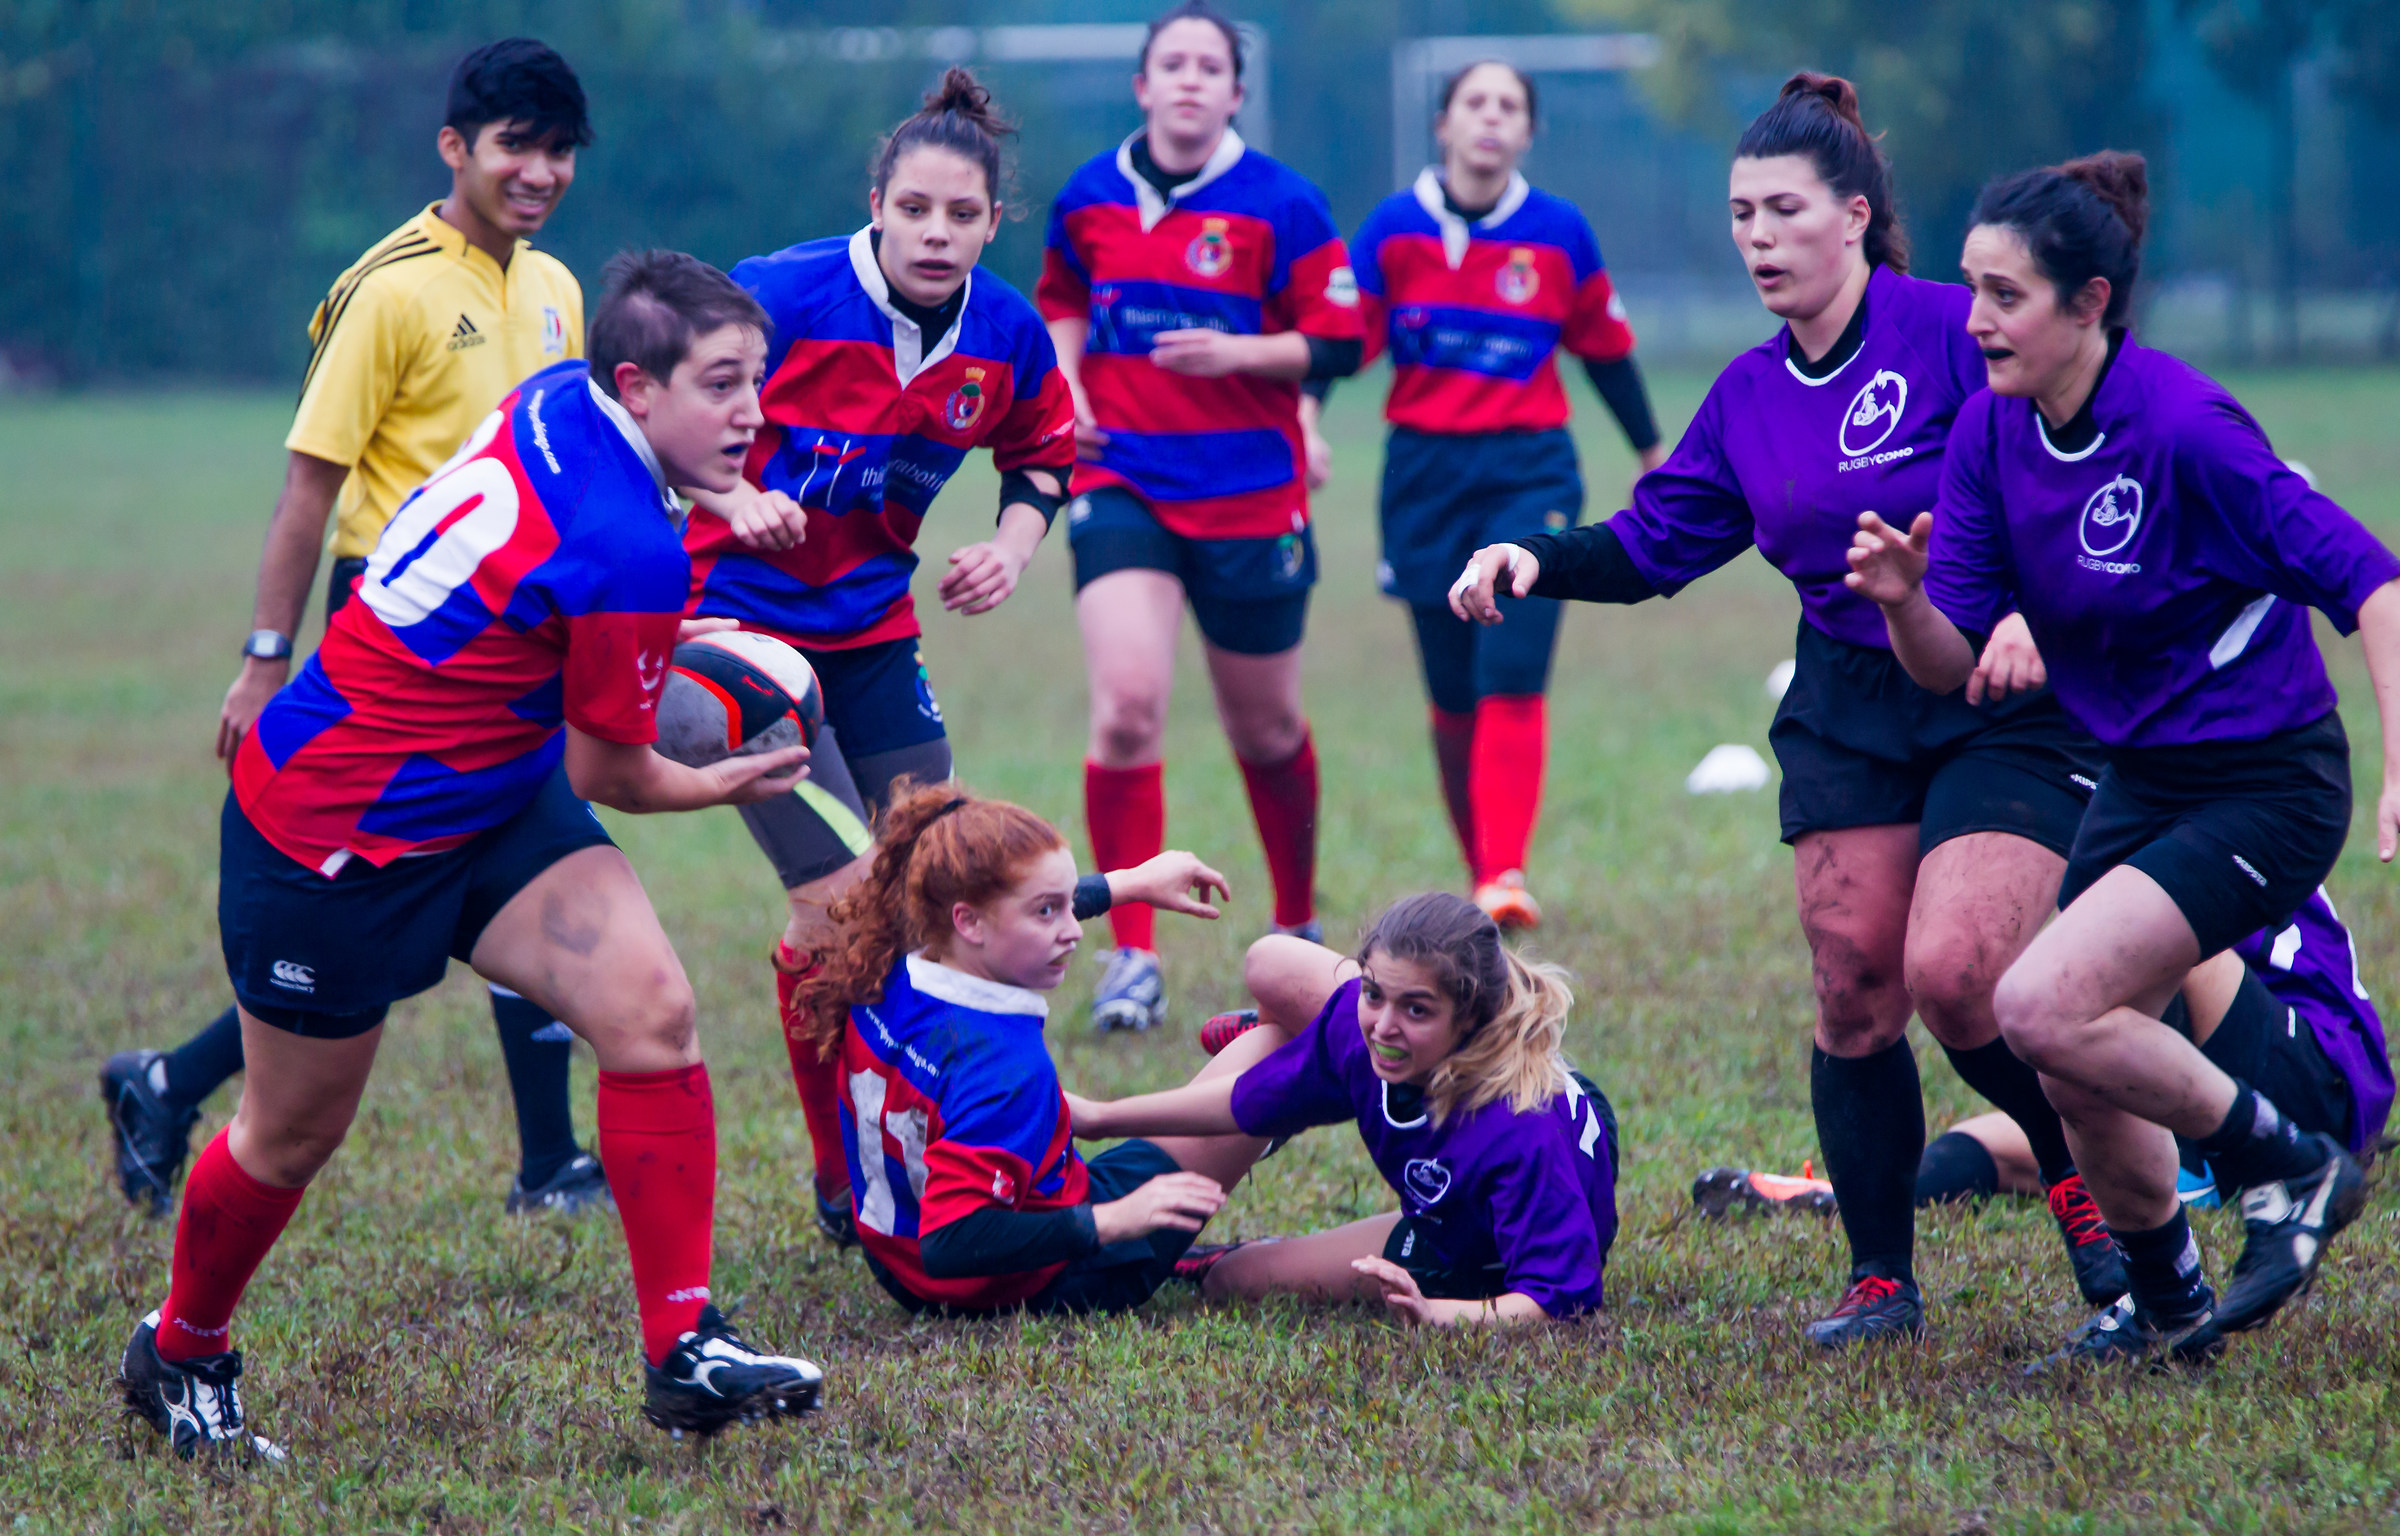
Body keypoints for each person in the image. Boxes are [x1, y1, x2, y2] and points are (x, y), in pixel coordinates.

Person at [119, 252, 827, 1458]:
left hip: (489, 791)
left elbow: (543, 593)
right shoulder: (629, 550)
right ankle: (179, 1352)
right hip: (332, 830)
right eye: (722, 384)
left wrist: (662, 614)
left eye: (757, 380)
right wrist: (724, 779)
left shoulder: (554, 397)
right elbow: (613, 772)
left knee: (651, 1014)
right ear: (638, 387)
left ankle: (684, 1346)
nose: (753, 411)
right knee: (291, 1137)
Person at [1450, 74, 2115, 1347]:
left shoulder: (1952, 330)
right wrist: (1536, 558)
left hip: (1999, 686)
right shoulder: (1751, 398)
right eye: (1740, 213)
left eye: (1782, 210)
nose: (1755, 236)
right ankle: (1880, 1279)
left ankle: (2091, 1196)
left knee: (1963, 976)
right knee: (1858, 984)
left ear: (1854, 216)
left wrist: (2040, 607)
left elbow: (2072, 452)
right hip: (1850, 702)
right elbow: (1657, 538)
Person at [1846, 151, 2400, 1367]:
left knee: (2040, 1000)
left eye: (2005, 296)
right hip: (2144, 777)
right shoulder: (1993, 437)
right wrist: (1900, 602)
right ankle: (2169, 1310)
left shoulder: (2188, 429)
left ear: (2088, 303)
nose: (1977, 320)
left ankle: (2290, 1167)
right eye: (1971, 290)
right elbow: (1949, 664)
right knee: (2072, 1054)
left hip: (2267, 781)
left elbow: (2372, 579)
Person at [102, 39, 609, 1220]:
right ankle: (174, 1084)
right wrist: (263, 662)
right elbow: (306, 496)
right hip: (397, 630)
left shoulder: (558, 288)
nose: (538, 171)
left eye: (559, 150)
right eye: (514, 147)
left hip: (520, 634)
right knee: (394, 900)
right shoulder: (388, 289)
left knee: (509, 859)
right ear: (454, 148)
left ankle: (547, 1163)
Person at [675, 70, 1075, 1247]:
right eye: (915, 211)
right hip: (737, 639)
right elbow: (662, 421)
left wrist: (1010, 547)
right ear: (877, 205)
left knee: (940, 885)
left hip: (872, 633)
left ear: (994, 222)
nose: (937, 234)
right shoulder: (780, 296)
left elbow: (1042, 455)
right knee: (848, 900)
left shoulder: (1004, 329)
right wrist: (733, 492)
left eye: (962, 216)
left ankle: (913, 1136)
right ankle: (843, 1178)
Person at [1038, 1, 1364, 1032]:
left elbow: (1344, 339)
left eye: (1208, 66)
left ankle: (1301, 927)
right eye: (1169, 63)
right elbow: (1059, 299)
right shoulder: (1089, 193)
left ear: (1233, 92)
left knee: (1264, 728)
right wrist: (1067, 385)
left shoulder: (1284, 203)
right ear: (1141, 85)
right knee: (1128, 704)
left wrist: (1246, 356)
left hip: (1250, 491)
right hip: (1121, 478)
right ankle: (1131, 958)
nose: (1187, 80)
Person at [1335, 60, 1666, 928]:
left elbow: (1604, 348)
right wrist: (1299, 416)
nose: (1491, 119)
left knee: (1510, 665)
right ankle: (1486, 869)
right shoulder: (1392, 228)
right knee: (1452, 693)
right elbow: (1345, 343)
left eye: (1509, 106)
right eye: (1474, 103)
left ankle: (1503, 874)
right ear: (1442, 123)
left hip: (1530, 473)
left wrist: (1650, 449)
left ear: (1529, 133)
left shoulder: (1559, 232)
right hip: (1422, 480)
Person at [792, 781, 1280, 1316]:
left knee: (1184, 1108)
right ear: (968, 921)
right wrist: (1113, 1221)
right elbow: (951, 1238)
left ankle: (1257, 1063)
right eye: (1048, 912)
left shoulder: (887, 968)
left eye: (1070, 906)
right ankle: (1274, 1068)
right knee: (1284, 1056)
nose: (1074, 931)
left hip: (897, 1266)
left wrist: (1130, 884)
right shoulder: (1004, 1066)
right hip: (1044, 1279)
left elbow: (1012, 901)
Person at [1073, 895, 1619, 1325]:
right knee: (1271, 961)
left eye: (1417, 1009)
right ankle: (1290, 1046)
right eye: (1374, 993)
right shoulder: (1365, 1036)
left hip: (1471, 1243)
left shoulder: (1518, 1133)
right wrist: (1101, 1118)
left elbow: (1561, 1299)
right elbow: (1244, 1103)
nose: (1382, 1025)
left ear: (1470, 1019)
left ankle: (1295, 1058)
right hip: (1445, 1106)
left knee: (1230, 1282)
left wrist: (1441, 1312)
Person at [1919, 890, 2392, 1210]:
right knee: (1987, 1142)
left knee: (2150, 923)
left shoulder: (2213, 786)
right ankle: (1854, 1196)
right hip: (2210, 1082)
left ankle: (2220, 1160)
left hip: (2313, 1079)